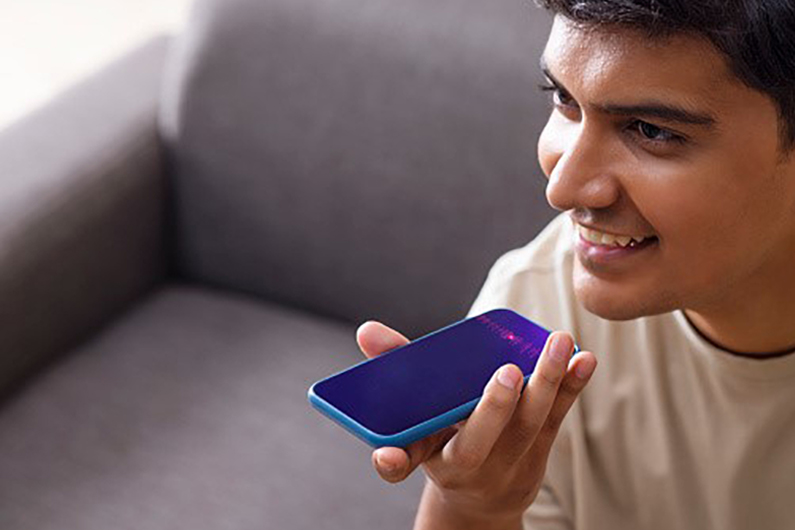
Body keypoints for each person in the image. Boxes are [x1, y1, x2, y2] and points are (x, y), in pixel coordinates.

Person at [356, 0, 795, 528]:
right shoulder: (533, 314)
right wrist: (474, 506)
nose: (561, 189)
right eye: (563, 99)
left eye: (650, 130)